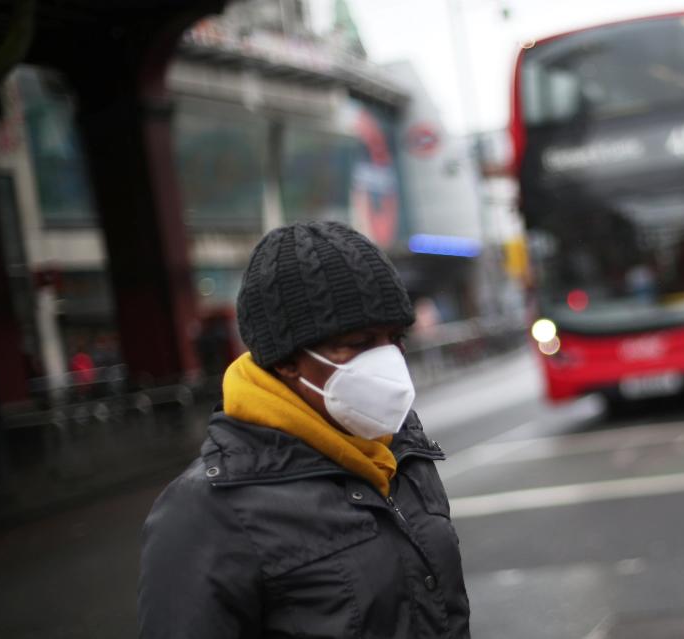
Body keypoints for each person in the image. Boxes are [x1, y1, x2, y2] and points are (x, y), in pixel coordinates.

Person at [138, 221, 470, 638]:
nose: (387, 359)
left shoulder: (399, 452)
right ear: (286, 359)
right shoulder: (207, 510)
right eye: (359, 341)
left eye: (394, 337)